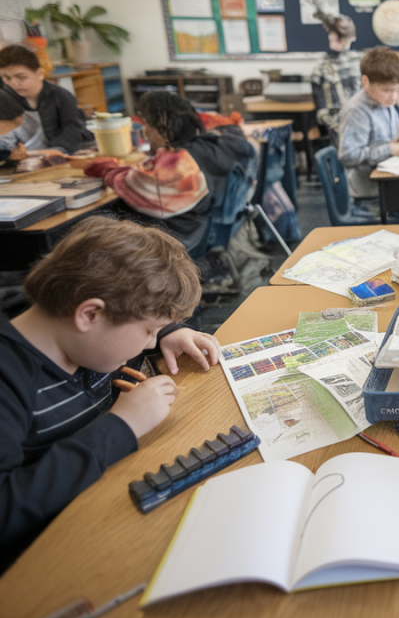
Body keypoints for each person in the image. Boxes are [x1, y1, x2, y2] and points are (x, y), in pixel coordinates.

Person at [0, 216, 220, 571]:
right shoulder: (9, 380)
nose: (148, 343)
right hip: (51, 554)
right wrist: (121, 426)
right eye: (148, 330)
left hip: (113, 496)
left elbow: (124, 320)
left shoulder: (87, 341)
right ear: (89, 314)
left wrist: (167, 334)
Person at [86, 92, 255, 256]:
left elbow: (132, 183)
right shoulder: (221, 142)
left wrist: (107, 168)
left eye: (148, 126)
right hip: (212, 232)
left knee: (96, 221)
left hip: (184, 241)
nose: (145, 133)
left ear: (164, 127)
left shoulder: (180, 165)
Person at [336, 46, 399, 219]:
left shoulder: (383, 102)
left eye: (398, 90)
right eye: (387, 90)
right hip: (369, 199)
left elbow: (393, 131)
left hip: (389, 186)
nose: (393, 96)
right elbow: (348, 155)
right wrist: (390, 149)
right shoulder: (357, 111)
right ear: (366, 82)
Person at [0, 44, 91, 153]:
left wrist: (58, 150)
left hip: (63, 156)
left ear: (40, 73)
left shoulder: (61, 96)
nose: (14, 84)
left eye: (21, 77)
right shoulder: (5, 99)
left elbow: (73, 129)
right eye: (7, 78)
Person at [311, 10, 361, 142]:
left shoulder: (357, 63)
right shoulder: (321, 69)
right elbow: (321, 105)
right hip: (336, 126)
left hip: (359, 121)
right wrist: (332, 124)